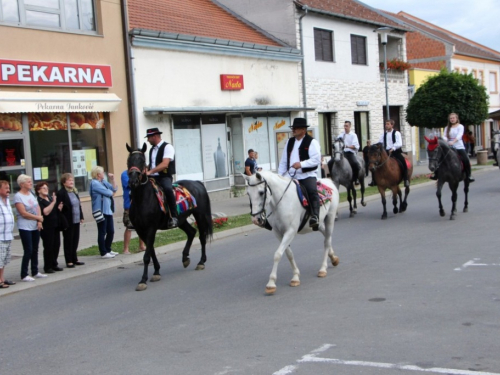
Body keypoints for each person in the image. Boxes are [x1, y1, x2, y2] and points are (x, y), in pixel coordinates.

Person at [278, 117, 321, 230]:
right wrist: (279, 176)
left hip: (307, 175)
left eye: (296, 128)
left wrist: (301, 164)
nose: (293, 130)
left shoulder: (312, 142)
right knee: (277, 192)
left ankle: (315, 216)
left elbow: (316, 159)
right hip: (290, 174)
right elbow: (283, 161)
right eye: (293, 128)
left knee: (311, 190)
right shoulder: (289, 142)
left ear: (303, 130)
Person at [15, 174, 47, 281]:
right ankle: (24, 274)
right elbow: (23, 213)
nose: (31, 183)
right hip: (25, 226)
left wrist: (39, 221)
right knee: (28, 249)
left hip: (34, 225)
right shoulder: (18, 196)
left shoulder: (31, 193)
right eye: (28, 182)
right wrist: (37, 217)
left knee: (35, 249)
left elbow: (37, 206)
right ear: (22, 184)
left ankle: (35, 270)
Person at [145, 127, 178, 229]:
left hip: (164, 177)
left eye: (149, 138)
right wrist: (145, 170)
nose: (148, 140)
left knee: (168, 189)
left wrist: (150, 171)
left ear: (154, 136)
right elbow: (152, 164)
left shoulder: (168, 147)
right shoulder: (151, 150)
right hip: (153, 177)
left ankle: (174, 216)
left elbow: (164, 164)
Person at [57, 173, 85, 268]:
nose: (71, 182)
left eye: (72, 180)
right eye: (69, 180)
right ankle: (69, 260)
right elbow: (59, 208)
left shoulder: (74, 191)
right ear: (64, 182)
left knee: (75, 239)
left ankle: (74, 258)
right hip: (68, 220)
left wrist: (81, 216)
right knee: (68, 240)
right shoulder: (61, 193)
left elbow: (78, 205)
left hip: (76, 219)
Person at [35, 181, 64, 274]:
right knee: (48, 246)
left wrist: (58, 207)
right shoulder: (39, 200)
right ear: (38, 190)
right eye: (43, 188)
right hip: (47, 227)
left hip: (55, 225)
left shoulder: (49, 198)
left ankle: (54, 264)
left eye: (47, 188)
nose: (46, 189)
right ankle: (47, 266)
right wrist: (53, 203)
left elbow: (54, 210)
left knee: (56, 245)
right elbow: (45, 212)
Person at [90, 166, 118, 259]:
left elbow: (114, 189)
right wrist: (111, 192)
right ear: (98, 174)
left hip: (108, 210)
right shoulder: (95, 183)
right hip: (100, 210)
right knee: (102, 231)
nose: (104, 174)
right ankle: (103, 252)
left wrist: (113, 180)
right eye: (102, 172)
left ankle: (108, 249)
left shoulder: (103, 182)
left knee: (111, 231)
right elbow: (109, 193)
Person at [443, 113, 474, 182]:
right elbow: (444, 135)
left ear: (456, 119)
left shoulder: (460, 126)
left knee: (466, 159)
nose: (452, 119)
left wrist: (453, 142)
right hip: (449, 146)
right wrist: (445, 140)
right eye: (451, 118)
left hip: (458, 146)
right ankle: (437, 174)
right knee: (440, 157)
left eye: (453, 118)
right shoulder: (447, 128)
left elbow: (459, 135)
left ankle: (469, 175)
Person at [378, 119, 409, 187]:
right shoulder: (384, 134)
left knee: (403, 162)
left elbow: (399, 143)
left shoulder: (396, 133)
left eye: (388, 124)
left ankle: (406, 179)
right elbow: (380, 142)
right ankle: (375, 180)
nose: (386, 125)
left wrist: (393, 148)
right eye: (386, 124)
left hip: (395, 152)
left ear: (392, 125)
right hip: (386, 152)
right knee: (376, 163)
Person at [121, 170, 145, 254]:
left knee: (142, 226)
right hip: (129, 204)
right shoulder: (125, 174)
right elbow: (130, 184)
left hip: (139, 203)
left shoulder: (139, 173)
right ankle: (126, 249)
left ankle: (141, 246)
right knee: (129, 226)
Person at [0, 180, 15, 288]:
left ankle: (2, 278)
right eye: (6, 188)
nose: (8, 190)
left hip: (7, 235)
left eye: (8, 187)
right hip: (0, 235)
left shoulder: (7, 200)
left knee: (4, 259)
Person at [336, 120, 361, 185]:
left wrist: (347, 146)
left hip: (350, 153)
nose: (345, 127)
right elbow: (337, 142)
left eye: (346, 126)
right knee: (331, 162)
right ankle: (335, 177)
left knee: (355, 164)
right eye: (344, 126)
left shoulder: (353, 135)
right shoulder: (341, 135)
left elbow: (355, 146)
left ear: (350, 126)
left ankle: (356, 178)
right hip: (342, 153)